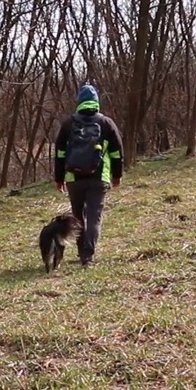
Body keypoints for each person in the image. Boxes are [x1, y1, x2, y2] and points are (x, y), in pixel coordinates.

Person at [54, 83, 124, 266]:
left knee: (77, 217)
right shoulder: (106, 123)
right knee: (94, 216)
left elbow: (60, 153)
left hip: (73, 178)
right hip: (99, 177)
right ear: (96, 102)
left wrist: (58, 178)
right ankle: (88, 256)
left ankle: (80, 252)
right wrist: (117, 175)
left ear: (79, 102)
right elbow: (117, 152)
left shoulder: (68, 124)